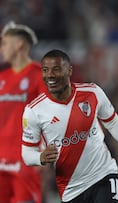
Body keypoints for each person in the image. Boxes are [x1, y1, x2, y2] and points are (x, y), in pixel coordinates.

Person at [21, 49, 118, 203]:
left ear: (69, 71)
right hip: (71, 189)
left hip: (103, 175)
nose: (50, 75)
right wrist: (40, 157)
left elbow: (113, 123)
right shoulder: (34, 110)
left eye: (56, 69)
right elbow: (27, 153)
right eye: (45, 70)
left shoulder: (92, 93)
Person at [0, 21, 45, 203]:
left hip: (24, 160)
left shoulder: (39, 75)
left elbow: (52, 112)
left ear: (19, 44)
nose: (2, 48)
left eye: (4, 43)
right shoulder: (2, 78)